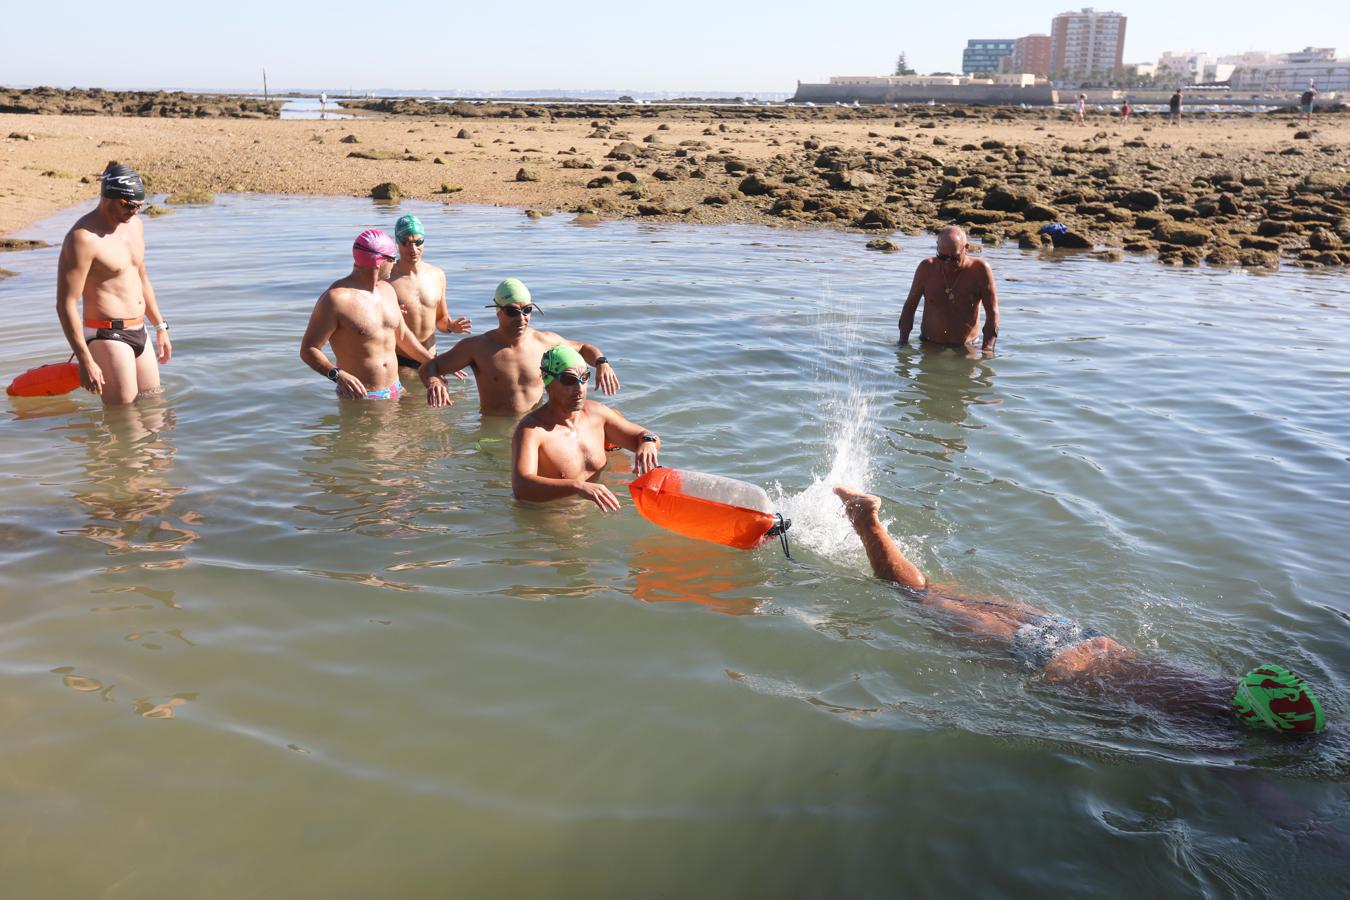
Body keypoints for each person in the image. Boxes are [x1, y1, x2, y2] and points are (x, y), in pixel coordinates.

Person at [833, 485, 1327, 736]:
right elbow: (1273, 806)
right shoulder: (1216, 736)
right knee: (919, 600)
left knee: (938, 590)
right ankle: (866, 522)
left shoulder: (1226, 688)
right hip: (1049, 661)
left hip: (1082, 636)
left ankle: (873, 525)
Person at [55, 164, 172, 406]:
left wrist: (160, 326)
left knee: (154, 410)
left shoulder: (135, 226)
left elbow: (142, 278)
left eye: (139, 205)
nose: (135, 211)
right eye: (129, 205)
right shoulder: (83, 238)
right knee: (123, 419)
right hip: (107, 335)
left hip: (139, 330)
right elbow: (65, 304)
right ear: (108, 196)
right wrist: (85, 360)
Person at [420, 278, 620, 416]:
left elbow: (584, 347)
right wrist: (434, 383)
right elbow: (428, 368)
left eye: (527, 310)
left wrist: (602, 363)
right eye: (512, 311)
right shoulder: (477, 348)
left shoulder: (544, 343)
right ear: (498, 312)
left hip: (536, 426)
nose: (521, 318)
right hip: (494, 429)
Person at [300, 229, 450, 404]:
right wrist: (337, 375)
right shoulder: (336, 299)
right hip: (360, 398)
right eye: (392, 259)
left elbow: (402, 336)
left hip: (397, 389)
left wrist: (436, 363)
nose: (395, 265)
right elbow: (308, 349)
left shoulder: (387, 290)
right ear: (379, 262)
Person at [511, 344, 659, 510]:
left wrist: (648, 442)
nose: (579, 388)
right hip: (551, 513)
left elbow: (644, 436)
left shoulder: (598, 415)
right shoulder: (532, 430)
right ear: (548, 383)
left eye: (584, 378)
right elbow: (521, 487)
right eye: (569, 380)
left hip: (597, 505)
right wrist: (578, 486)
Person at [386, 214, 470, 371]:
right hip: (401, 363)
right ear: (397, 242)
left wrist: (451, 327)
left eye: (418, 242)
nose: (413, 249)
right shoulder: (386, 279)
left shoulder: (437, 275)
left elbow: (440, 320)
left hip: (432, 357)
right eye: (406, 243)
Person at [898, 226, 999, 352]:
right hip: (929, 345)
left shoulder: (980, 270)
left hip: (967, 347)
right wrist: (902, 343)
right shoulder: (926, 268)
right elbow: (909, 307)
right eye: (942, 257)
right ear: (937, 248)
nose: (947, 263)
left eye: (954, 258)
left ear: (966, 248)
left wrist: (988, 349)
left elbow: (992, 313)